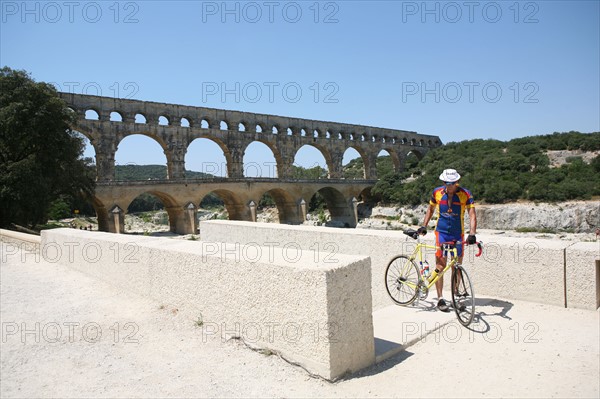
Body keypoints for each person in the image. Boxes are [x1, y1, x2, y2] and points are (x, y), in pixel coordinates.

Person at [418, 168, 477, 312]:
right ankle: (440, 298)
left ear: (457, 182)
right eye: (446, 183)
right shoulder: (437, 192)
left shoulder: (465, 194)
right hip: (442, 234)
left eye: (452, 183)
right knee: (440, 266)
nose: (449, 186)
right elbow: (430, 209)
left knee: (456, 267)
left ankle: (455, 297)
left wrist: (472, 233)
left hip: (458, 234)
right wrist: (424, 225)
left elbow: (472, 214)